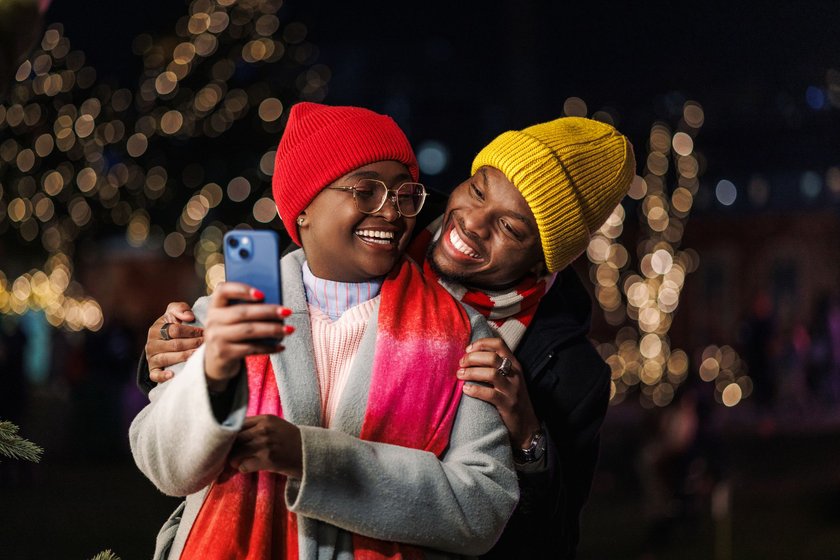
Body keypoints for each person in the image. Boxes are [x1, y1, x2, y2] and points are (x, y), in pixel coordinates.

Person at [142, 116, 635, 559]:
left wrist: (528, 436)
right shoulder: (393, 211)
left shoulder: (528, 355)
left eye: (510, 227)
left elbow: (533, 531)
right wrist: (178, 351)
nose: (471, 224)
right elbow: (309, 220)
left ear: (541, 260)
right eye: (478, 190)